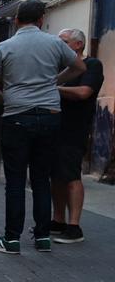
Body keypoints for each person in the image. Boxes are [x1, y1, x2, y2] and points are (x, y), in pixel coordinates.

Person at [0, 0, 87, 254]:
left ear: (17, 20)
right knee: (42, 178)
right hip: (50, 115)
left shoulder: (3, 47)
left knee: (16, 181)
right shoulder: (54, 43)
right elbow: (79, 67)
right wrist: (53, 82)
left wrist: (9, 99)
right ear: (41, 19)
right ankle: (43, 237)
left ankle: (11, 239)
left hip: (17, 116)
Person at [51, 28, 104, 244]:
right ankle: (58, 220)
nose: (59, 45)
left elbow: (84, 92)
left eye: (64, 41)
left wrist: (53, 88)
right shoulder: (60, 68)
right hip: (54, 126)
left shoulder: (92, 65)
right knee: (55, 175)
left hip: (74, 128)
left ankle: (74, 226)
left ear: (78, 45)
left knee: (71, 175)